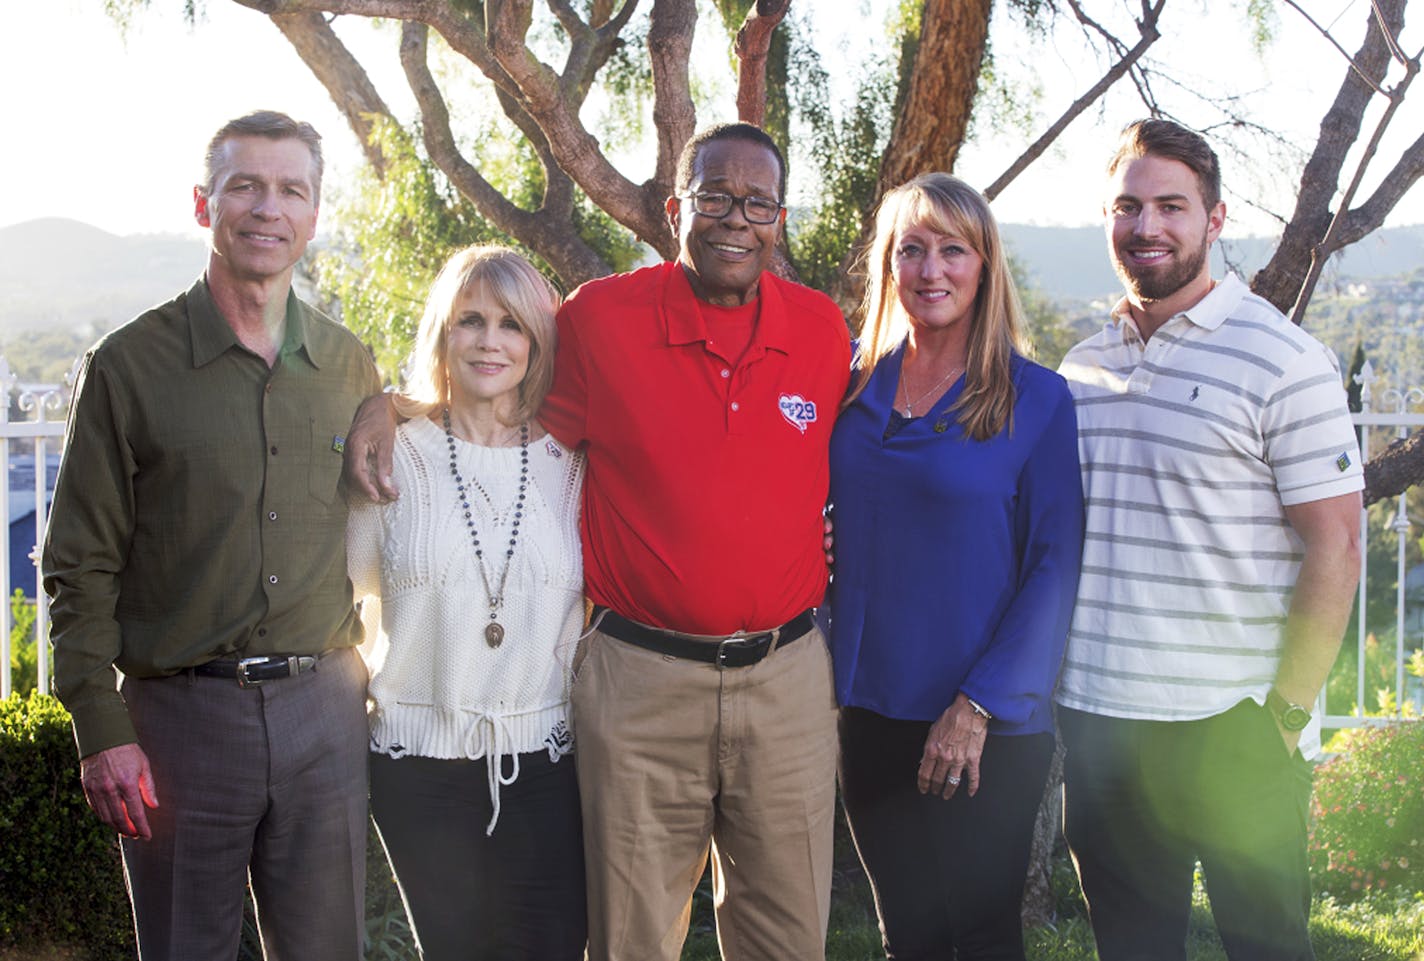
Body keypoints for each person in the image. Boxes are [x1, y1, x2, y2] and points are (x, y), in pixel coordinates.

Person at [345, 122, 851, 961]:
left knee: (789, 937)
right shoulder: (603, 320)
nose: (736, 217)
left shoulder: (823, 330)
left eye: (758, 202)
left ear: (780, 218)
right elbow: (495, 398)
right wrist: (385, 405)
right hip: (640, 679)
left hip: (786, 675)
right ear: (675, 206)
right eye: (715, 196)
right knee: (630, 939)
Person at [42, 111, 381, 960]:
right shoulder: (128, 367)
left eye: (291, 190)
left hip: (325, 713)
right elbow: (77, 562)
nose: (269, 208)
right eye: (246, 186)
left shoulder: (351, 366)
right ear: (205, 205)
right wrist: (101, 725)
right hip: (180, 721)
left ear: (313, 215)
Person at [1056, 118, 1364, 961]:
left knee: (1267, 946)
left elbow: (1337, 545)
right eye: (1128, 205)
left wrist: (1287, 715)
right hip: (1104, 724)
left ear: (1215, 219)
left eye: (1171, 205)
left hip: (1236, 724)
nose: (1146, 226)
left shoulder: (1282, 358)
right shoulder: (1081, 369)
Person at [824, 172, 1083, 960]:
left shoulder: (1035, 399)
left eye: (952, 249)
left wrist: (976, 707)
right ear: (888, 266)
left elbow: (1054, 563)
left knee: (979, 937)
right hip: (868, 712)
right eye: (912, 249)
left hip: (984, 723)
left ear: (984, 264)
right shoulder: (852, 390)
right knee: (909, 933)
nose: (931, 270)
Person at [346, 245, 586, 960]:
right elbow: (340, 601)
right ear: (442, 333)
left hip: (545, 761)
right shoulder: (391, 455)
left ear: (537, 340)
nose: (490, 340)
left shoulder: (572, 463)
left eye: (512, 324)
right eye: (470, 320)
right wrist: (382, 404)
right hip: (419, 764)